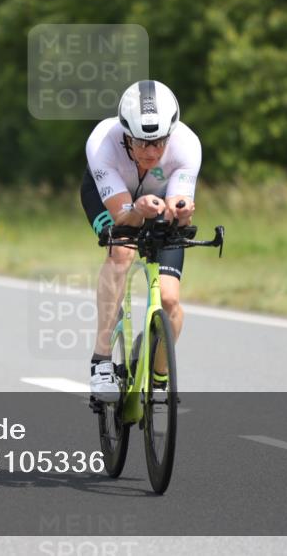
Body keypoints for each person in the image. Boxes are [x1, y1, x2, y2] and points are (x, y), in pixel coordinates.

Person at [81, 80, 201, 401]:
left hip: (157, 202)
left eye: (159, 142)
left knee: (170, 301)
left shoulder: (187, 144)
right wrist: (136, 209)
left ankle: (159, 376)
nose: (151, 152)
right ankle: (101, 361)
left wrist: (182, 213)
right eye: (142, 143)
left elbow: (177, 207)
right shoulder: (102, 142)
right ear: (126, 135)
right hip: (111, 199)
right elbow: (122, 217)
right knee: (121, 251)